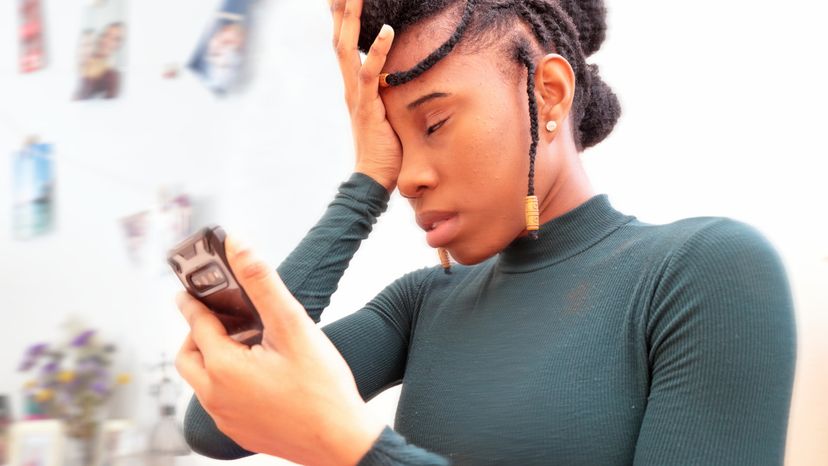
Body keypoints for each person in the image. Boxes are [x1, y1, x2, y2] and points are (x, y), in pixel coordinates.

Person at [174, 0, 797, 465]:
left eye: (436, 123)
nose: (409, 177)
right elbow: (216, 420)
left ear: (547, 94)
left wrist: (355, 448)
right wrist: (364, 184)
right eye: (393, 140)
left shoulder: (703, 271)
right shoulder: (422, 303)